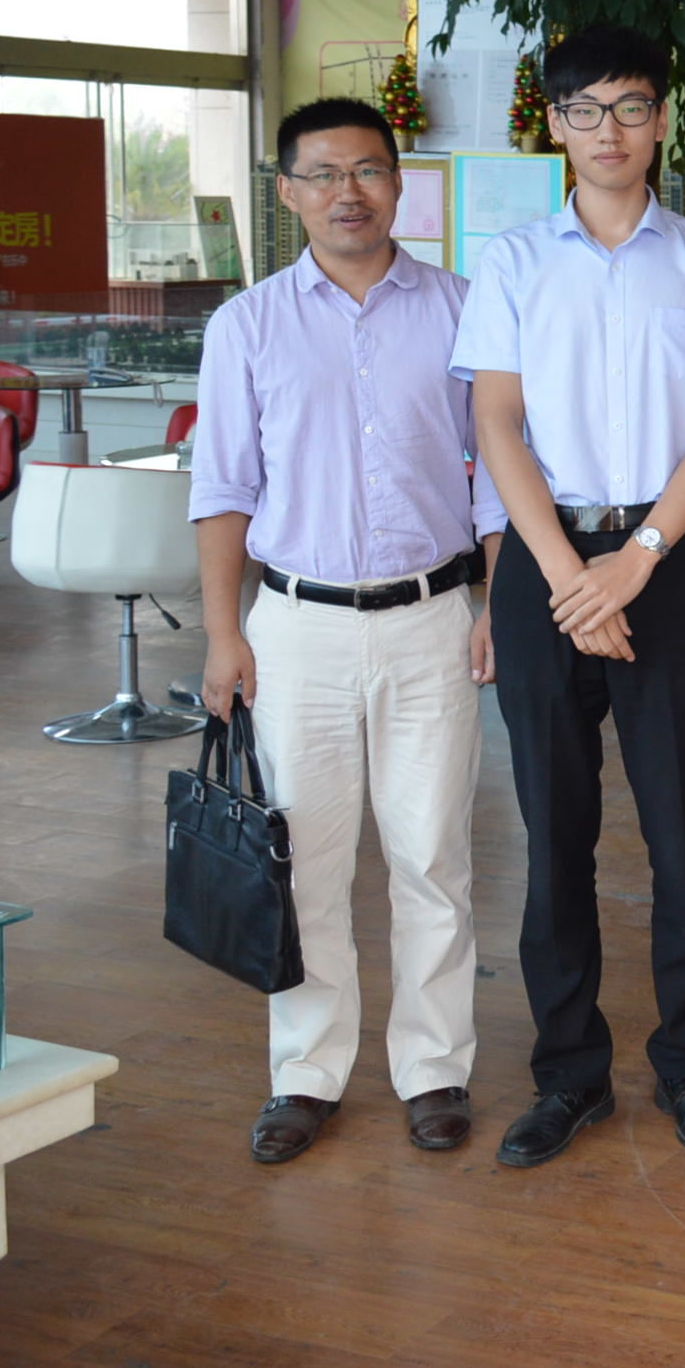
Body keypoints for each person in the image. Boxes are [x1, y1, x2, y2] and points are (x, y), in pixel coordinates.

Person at [451, 24, 685, 1169]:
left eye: (631, 106)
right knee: (555, 832)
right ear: (555, 124)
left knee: (683, 830)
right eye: (584, 110)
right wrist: (566, 573)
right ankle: (568, 1073)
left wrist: (637, 555)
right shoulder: (514, 262)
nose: (609, 130)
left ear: (661, 119)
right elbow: (494, 422)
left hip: (663, 565)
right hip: (547, 569)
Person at [190, 97, 504, 1164]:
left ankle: (434, 1068)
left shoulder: (462, 310)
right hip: (296, 627)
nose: (347, 192)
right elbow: (224, 487)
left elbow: (499, 474)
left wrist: (497, 603)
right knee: (305, 863)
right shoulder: (246, 325)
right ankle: (306, 1073)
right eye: (322, 174)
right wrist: (223, 633)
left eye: (367, 170)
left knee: (432, 856)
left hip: (432, 618)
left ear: (399, 183)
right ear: (287, 191)